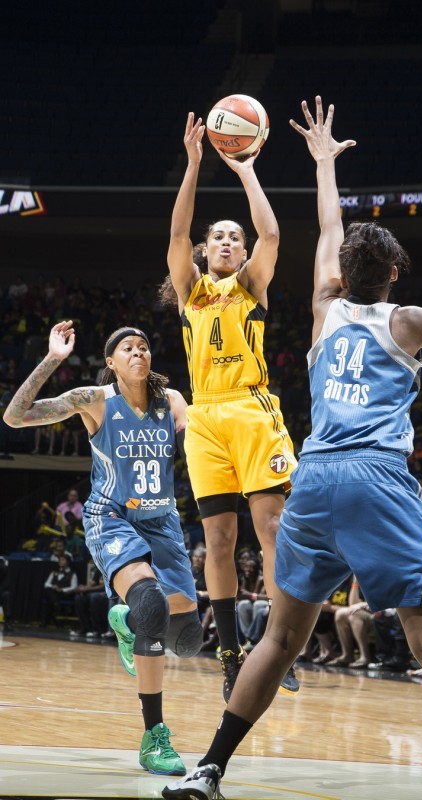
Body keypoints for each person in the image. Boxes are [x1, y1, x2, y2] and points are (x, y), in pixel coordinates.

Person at [161, 98, 422, 800]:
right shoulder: (412, 319)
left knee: (278, 637)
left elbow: (328, 227)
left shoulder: (322, 309)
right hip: (376, 479)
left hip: (315, 479)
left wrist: (323, 164)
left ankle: (209, 770)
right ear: (393, 274)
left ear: (342, 273)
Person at [4, 321, 204, 777]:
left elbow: (199, 444)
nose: (139, 353)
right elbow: (15, 416)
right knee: (152, 606)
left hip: (164, 525)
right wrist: (53, 359)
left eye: (144, 347)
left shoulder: (171, 401)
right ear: (110, 364)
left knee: (188, 640)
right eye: (127, 349)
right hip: (110, 517)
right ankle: (155, 736)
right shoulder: (94, 400)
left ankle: (125, 620)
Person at [161, 111, 298, 700]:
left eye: (232, 238)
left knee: (270, 531)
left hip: (252, 410)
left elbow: (270, 236)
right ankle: (229, 651)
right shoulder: (191, 290)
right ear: (204, 249)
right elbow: (174, 236)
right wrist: (193, 166)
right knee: (217, 541)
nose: (225, 241)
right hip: (206, 418)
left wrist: (245, 172)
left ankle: (282, 643)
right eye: (217, 236)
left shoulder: (251, 286)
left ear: (241, 253)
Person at [39, 553, 78, 626]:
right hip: (53, 593)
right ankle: (55, 604)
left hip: (64, 594)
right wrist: (53, 586)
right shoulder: (54, 572)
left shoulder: (72, 574)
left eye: (62, 560)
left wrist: (61, 589)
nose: (60, 561)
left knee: (48, 595)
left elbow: (74, 587)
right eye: (59, 560)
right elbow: (46, 584)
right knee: (48, 590)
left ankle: (45, 621)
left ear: (68, 562)